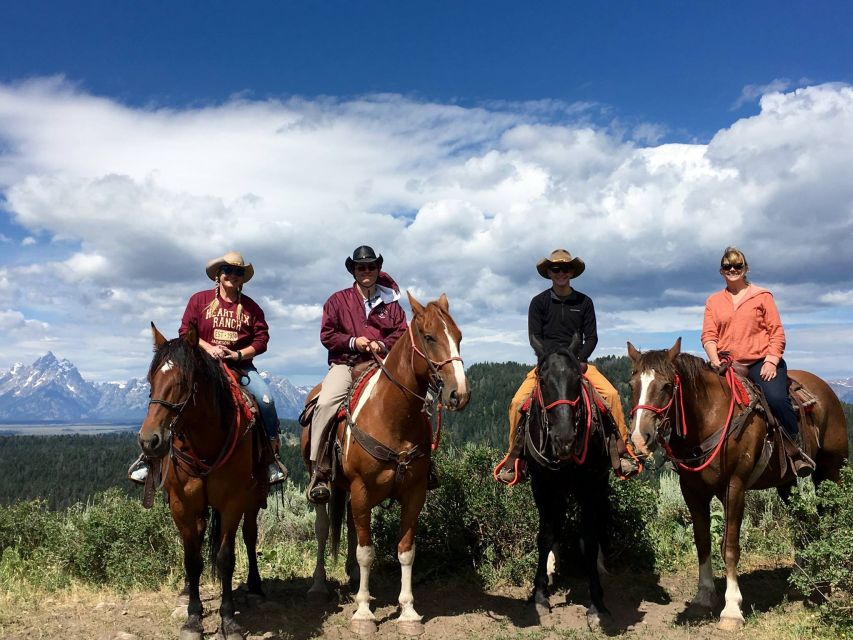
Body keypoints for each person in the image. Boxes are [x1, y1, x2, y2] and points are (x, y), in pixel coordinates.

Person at [129, 251, 287, 485]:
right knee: (172, 394)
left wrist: (237, 354)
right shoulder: (199, 300)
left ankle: (271, 458)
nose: (232, 275)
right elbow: (185, 332)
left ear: (242, 278)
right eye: (228, 271)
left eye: (238, 272)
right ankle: (150, 458)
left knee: (265, 401)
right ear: (218, 275)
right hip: (202, 366)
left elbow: (261, 340)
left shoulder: (252, 308)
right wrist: (208, 348)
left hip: (239, 367)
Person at [495, 249, 637, 484]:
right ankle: (515, 458)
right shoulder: (539, 302)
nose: (560, 273)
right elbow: (534, 337)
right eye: (556, 269)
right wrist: (546, 359)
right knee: (517, 403)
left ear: (572, 272)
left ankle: (623, 453)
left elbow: (591, 337)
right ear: (549, 273)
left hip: (578, 363)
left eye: (565, 269)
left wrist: (578, 360)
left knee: (611, 396)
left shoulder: (584, 302)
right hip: (547, 364)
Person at [305, 245, 408, 504]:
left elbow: (402, 333)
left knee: (420, 401)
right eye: (361, 267)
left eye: (371, 266)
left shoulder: (392, 304)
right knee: (327, 402)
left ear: (378, 269)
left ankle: (422, 466)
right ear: (353, 270)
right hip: (346, 365)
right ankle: (321, 471)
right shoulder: (337, 301)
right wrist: (354, 342)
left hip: (381, 365)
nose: (367, 271)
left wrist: (382, 344)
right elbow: (327, 335)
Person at [701, 246, 814, 476]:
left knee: (776, 398)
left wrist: (772, 361)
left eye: (737, 266)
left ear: (745, 268)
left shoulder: (762, 296)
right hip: (727, 363)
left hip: (760, 361)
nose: (732, 270)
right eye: (727, 266)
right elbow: (709, 336)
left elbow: (776, 333)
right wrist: (714, 360)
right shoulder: (714, 301)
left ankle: (796, 450)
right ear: (721, 271)